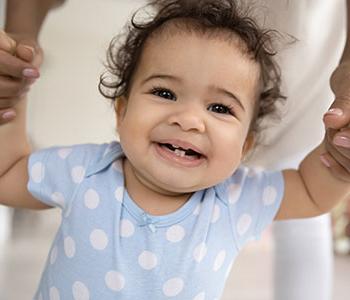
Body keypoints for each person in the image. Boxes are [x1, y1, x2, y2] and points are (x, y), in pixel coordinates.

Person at [1, 1, 350, 299]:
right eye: (165, 93)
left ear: (245, 145)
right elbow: (8, 173)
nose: (189, 120)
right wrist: (12, 96)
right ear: (121, 110)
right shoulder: (85, 172)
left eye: (220, 108)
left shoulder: (234, 198)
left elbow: (309, 189)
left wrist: (339, 147)